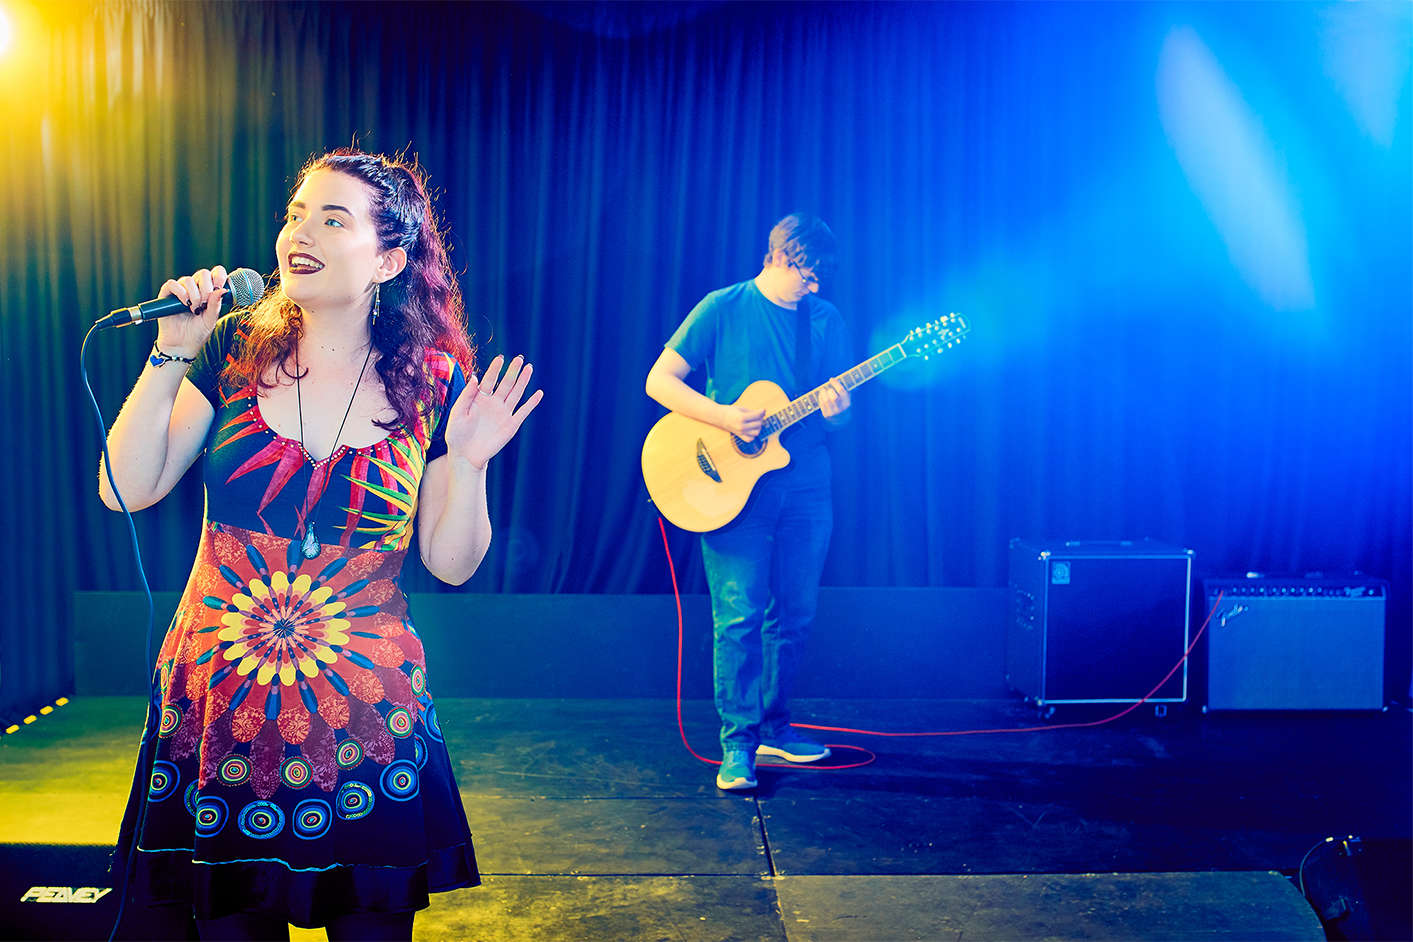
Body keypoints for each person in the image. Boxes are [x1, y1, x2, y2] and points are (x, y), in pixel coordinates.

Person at [99, 149, 542, 940]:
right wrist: (172, 351)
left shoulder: (434, 380)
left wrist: (468, 461)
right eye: (296, 214)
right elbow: (123, 488)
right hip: (218, 706)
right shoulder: (234, 355)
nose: (299, 231)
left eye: (333, 219)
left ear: (389, 259)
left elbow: (452, 561)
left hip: (364, 716)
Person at [645, 214, 852, 790]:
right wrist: (726, 417)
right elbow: (659, 381)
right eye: (806, 276)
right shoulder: (723, 307)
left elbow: (841, 412)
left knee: (796, 613)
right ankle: (738, 744)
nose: (814, 289)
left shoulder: (825, 319)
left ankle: (777, 729)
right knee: (738, 614)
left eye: (820, 281)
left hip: (807, 485)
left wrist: (840, 411)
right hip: (730, 485)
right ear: (778, 258)